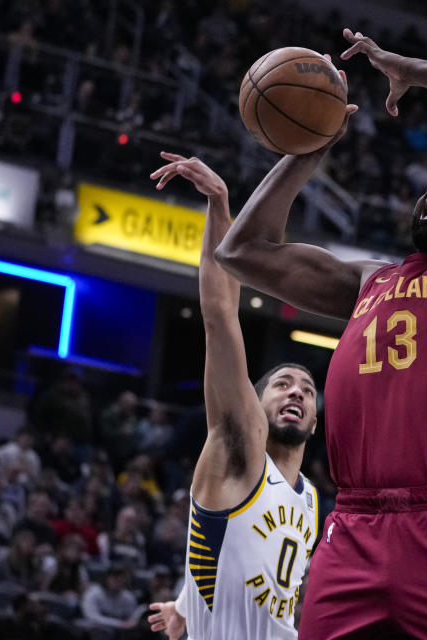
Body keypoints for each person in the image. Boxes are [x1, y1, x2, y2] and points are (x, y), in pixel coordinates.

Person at [216, 28, 427, 639]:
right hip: (354, 526)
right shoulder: (369, 281)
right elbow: (241, 251)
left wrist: (411, 69)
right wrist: (312, 147)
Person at [145, 153, 320, 640]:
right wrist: (220, 205)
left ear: (315, 421)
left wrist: (184, 604)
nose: (297, 393)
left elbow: (240, 560)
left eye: (307, 390)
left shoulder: (312, 500)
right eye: (282, 384)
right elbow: (220, 316)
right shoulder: (239, 452)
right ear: (253, 404)